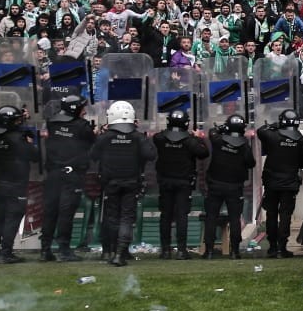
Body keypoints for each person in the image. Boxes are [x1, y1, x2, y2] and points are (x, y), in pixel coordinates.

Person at [90, 101, 156, 266]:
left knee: (111, 218)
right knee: (126, 218)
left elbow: (93, 155)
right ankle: (121, 253)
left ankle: (112, 252)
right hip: (131, 182)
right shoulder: (137, 137)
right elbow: (150, 155)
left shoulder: (105, 137)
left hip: (110, 183)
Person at [0, 105, 38, 264]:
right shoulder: (16, 139)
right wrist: (30, 143)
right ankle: (6, 252)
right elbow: (35, 156)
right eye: (17, 119)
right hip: (16, 183)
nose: (19, 122)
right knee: (12, 218)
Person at [41, 94, 95, 261]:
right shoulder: (82, 126)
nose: (85, 111)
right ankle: (64, 250)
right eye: (82, 107)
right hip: (72, 175)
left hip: (53, 174)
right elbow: (92, 141)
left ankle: (45, 249)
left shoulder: (52, 122)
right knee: (66, 213)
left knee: (50, 212)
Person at [152, 108, 208, 259]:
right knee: (182, 216)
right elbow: (204, 153)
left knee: (166, 216)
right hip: (183, 182)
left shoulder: (160, 138)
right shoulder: (190, 141)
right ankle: (181, 250)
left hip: (165, 181)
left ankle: (165, 250)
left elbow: (156, 138)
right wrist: (198, 138)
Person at [258, 108, 303, 258]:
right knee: (285, 215)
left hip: (272, 182)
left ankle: (272, 247)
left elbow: (261, 130)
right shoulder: (299, 139)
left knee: (272, 214)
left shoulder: (272, 135)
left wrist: (275, 125)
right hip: (289, 183)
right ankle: (282, 247)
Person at [202, 113, 255, 258]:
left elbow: (212, 132)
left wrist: (222, 128)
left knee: (211, 217)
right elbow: (252, 163)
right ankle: (234, 251)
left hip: (215, 185)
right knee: (234, 219)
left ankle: (209, 251)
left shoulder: (218, 140)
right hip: (234, 187)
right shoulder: (244, 145)